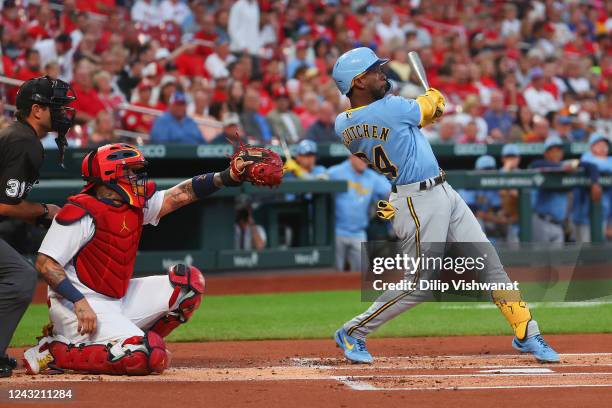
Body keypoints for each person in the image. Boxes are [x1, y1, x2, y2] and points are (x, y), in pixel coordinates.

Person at [331, 47, 558, 364]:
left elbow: (411, 119)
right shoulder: (391, 108)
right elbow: (431, 107)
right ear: (357, 82)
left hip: (437, 191)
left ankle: (527, 333)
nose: (383, 74)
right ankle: (354, 331)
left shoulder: (342, 124)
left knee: (489, 265)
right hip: (417, 200)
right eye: (374, 71)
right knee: (421, 284)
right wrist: (435, 100)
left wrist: (427, 109)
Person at [23, 142, 254, 376]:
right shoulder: (80, 211)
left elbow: (180, 195)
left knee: (188, 285)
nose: (136, 177)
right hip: (79, 307)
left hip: (118, 299)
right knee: (145, 357)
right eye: (130, 171)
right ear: (109, 175)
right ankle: (55, 351)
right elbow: (45, 263)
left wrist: (227, 177)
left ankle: (126, 339)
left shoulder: (133, 205)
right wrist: (79, 303)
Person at [0, 76, 76, 378]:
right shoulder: (23, 141)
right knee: (19, 276)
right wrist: (45, 210)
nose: (63, 113)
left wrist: (39, 214)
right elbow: (4, 205)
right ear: (36, 110)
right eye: (56, 106)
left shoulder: (19, 135)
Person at [327, 155, 390, 272]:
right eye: (360, 157)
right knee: (334, 275)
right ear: (350, 157)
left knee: (362, 276)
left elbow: (390, 190)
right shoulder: (336, 172)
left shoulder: (371, 177)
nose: (364, 161)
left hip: (359, 233)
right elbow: (318, 179)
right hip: (337, 232)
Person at [529, 136, 576, 244]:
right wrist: (562, 166)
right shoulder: (541, 166)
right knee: (540, 259)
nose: (556, 153)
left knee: (557, 260)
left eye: (558, 150)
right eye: (552, 151)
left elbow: (584, 165)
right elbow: (535, 164)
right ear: (546, 153)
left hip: (559, 224)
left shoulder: (566, 167)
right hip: (541, 221)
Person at [572, 133, 612, 242]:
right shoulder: (586, 158)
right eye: (598, 144)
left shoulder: (609, 160)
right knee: (584, 255)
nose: (603, 147)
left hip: (603, 218)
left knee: (602, 256)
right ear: (591, 147)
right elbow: (591, 163)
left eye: (605, 145)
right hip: (583, 219)